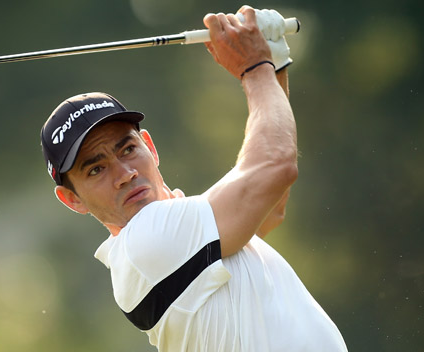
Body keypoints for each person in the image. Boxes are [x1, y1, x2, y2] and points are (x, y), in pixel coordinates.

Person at [40, 6, 348, 351]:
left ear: (150, 148)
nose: (124, 174)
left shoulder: (190, 230)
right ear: (73, 200)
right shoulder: (145, 242)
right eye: (95, 169)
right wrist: (256, 67)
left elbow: (270, 206)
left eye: (127, 149)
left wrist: (271, 64)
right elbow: (274, 167)